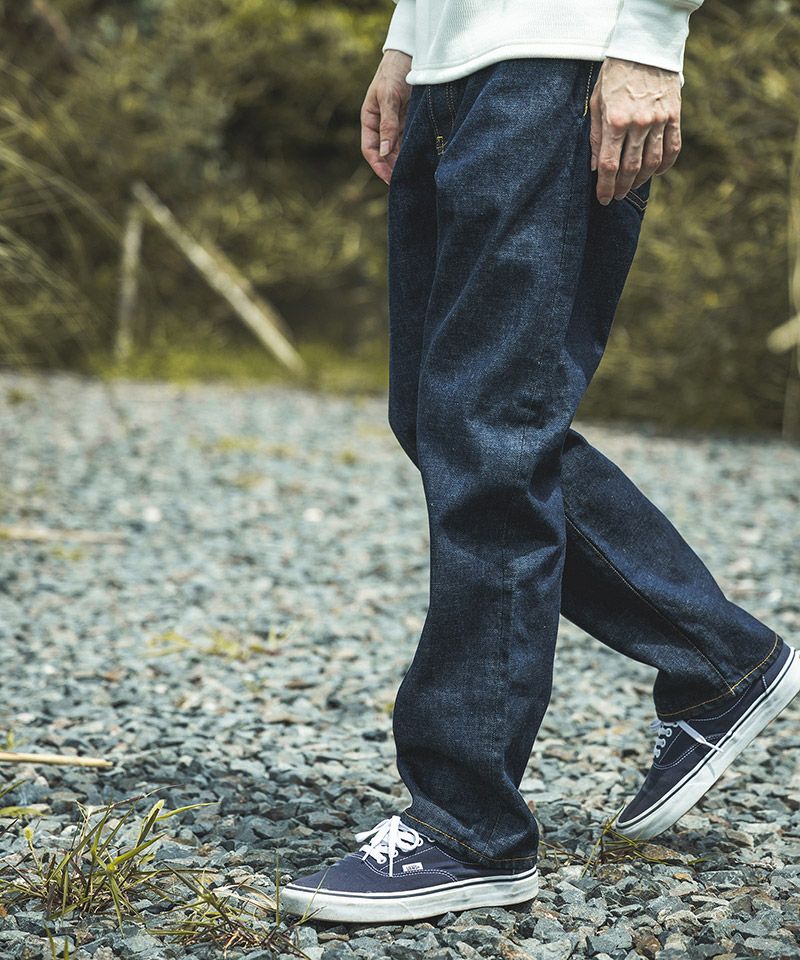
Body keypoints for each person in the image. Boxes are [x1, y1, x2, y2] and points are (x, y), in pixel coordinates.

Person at [280, 0, 800, 924]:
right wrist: (407, 42)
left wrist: (649, 38)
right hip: (453, 69)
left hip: (562, 62)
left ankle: (469, 826)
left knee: (489, 428)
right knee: (445, 418)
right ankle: (719, 659)